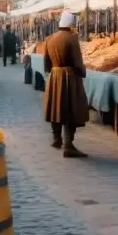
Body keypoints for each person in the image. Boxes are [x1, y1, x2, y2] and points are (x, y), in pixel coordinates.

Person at [43, 12, 89, 158]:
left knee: (55, 107)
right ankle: (68, 145)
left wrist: (52, 71)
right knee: (71, 109)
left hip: (54, 75)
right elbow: (77, 61)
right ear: (71, 25)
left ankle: (56, 138)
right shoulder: (72, 39)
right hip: (69, 77)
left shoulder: (49, 39)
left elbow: (46, 63)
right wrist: (82, 72)